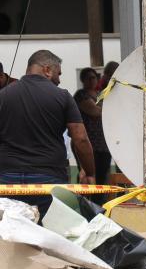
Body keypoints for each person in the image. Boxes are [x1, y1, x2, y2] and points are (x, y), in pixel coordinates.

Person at [0, 50, 94, 218]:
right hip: (48, 178)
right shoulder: (63, 96)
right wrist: (89, 172)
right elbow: (80, 138)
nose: (59, 80)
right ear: (47, 70)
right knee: (50, 234)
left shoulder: (3, 95)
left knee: (10, 234)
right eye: (58, 74)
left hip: (7, 179)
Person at [73, 67, 111, 204]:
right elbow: (95, 112)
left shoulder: (101, 94)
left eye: (93, 77)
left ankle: (100, 206)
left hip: (103, 144)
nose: (91, 80)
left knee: (102, 178)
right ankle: (85, 205)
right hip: (86, 143)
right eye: (88, 78)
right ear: (82, 80)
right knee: (87, 177)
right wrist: (106, 107)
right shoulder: (81, 95)